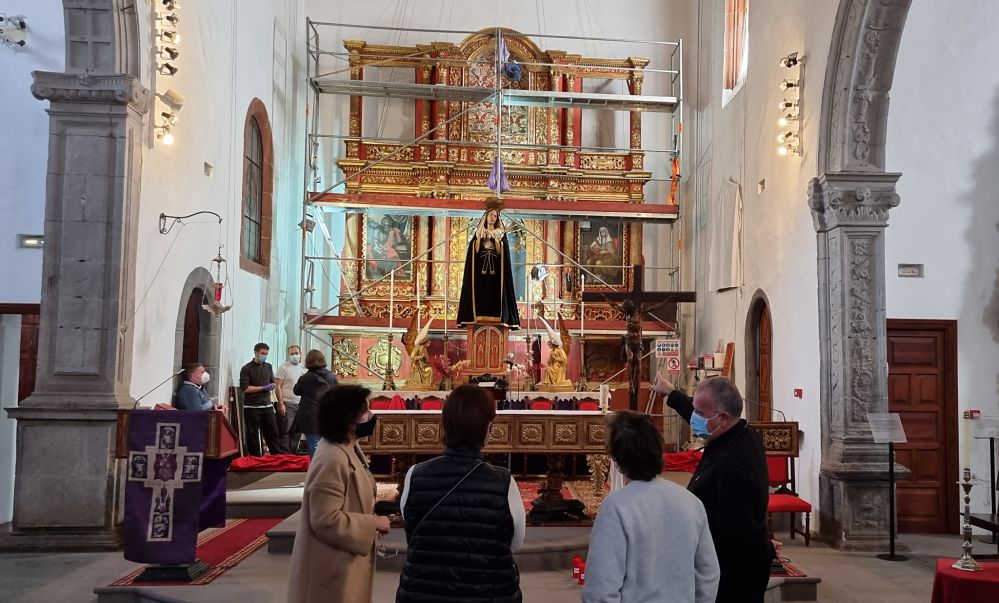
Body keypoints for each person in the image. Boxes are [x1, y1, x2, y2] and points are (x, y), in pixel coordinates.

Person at [653, 376, 777, 603]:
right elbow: (696, 407)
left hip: (733, 572)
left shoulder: (735, 465)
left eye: (699, 413)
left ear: (722, 417)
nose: (694, 418)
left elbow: (731, 532)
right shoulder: (736, 430)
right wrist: (670, 393)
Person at [396, 384, 525, 603]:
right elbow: (515, 542)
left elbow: (412, 531)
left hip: (423, 591)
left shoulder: (414, 475)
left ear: (444, 424)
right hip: (489, 591)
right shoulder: (503, 482)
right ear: (487, 428)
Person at [584, 410, 719, 603]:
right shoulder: (691, 502)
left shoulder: (616, 507)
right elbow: (709, 573)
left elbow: (600, 587)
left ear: (617, 458)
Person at [287, 384, 391, 603]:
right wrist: (373, 523)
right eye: (365, 411)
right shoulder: (332, 457)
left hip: (343, 561)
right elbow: (325, 520)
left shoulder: (347, 446)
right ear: (348, 418)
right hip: (330, 567)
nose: (370, 416)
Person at [456, 201, 521, 329]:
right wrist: (479, 240)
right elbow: (473, 252)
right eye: (491, 215)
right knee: (478, 291)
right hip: (480, 273)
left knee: (496, 292)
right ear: (485, 216)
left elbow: (504, 252)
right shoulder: (479, 233)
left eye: (495, 216)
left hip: (497, 274)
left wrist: (498, 242)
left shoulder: (500, 234)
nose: (493, 217)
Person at [239, 343, 288, 456]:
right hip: (252, 407)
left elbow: (272, 382)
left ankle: (276, 457)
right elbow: (245, 388)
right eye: (262, 353)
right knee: (252, 435)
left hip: (267, 406)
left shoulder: (268, 366)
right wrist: (263, 388)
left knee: (273, 433)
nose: (264, 356)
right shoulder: (246, 368)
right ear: (256, 353)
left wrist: (272, 386)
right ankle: (255, 459)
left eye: (266, 354)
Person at [294, 349, 338, 457]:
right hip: (328, 414)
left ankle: (316, 470)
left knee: (314, 444)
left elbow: (296, 391)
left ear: (308, 361)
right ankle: (327, 470)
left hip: (310, 414)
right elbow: (337, 392)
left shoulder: (306, 377)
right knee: (328, 445)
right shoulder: (331, 376)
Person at [276, 345, 308, 453]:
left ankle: (292, 453)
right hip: (287, 402)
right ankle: (284, 455)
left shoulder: (304, 369)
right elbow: (278, 386)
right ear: (288, 354)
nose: (295, 356)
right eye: (292, 354)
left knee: (297, 431)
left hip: (301, 404)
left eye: (296, 353)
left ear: (300, 354)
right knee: (285, 430)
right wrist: (281, 403)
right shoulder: (283, 368)